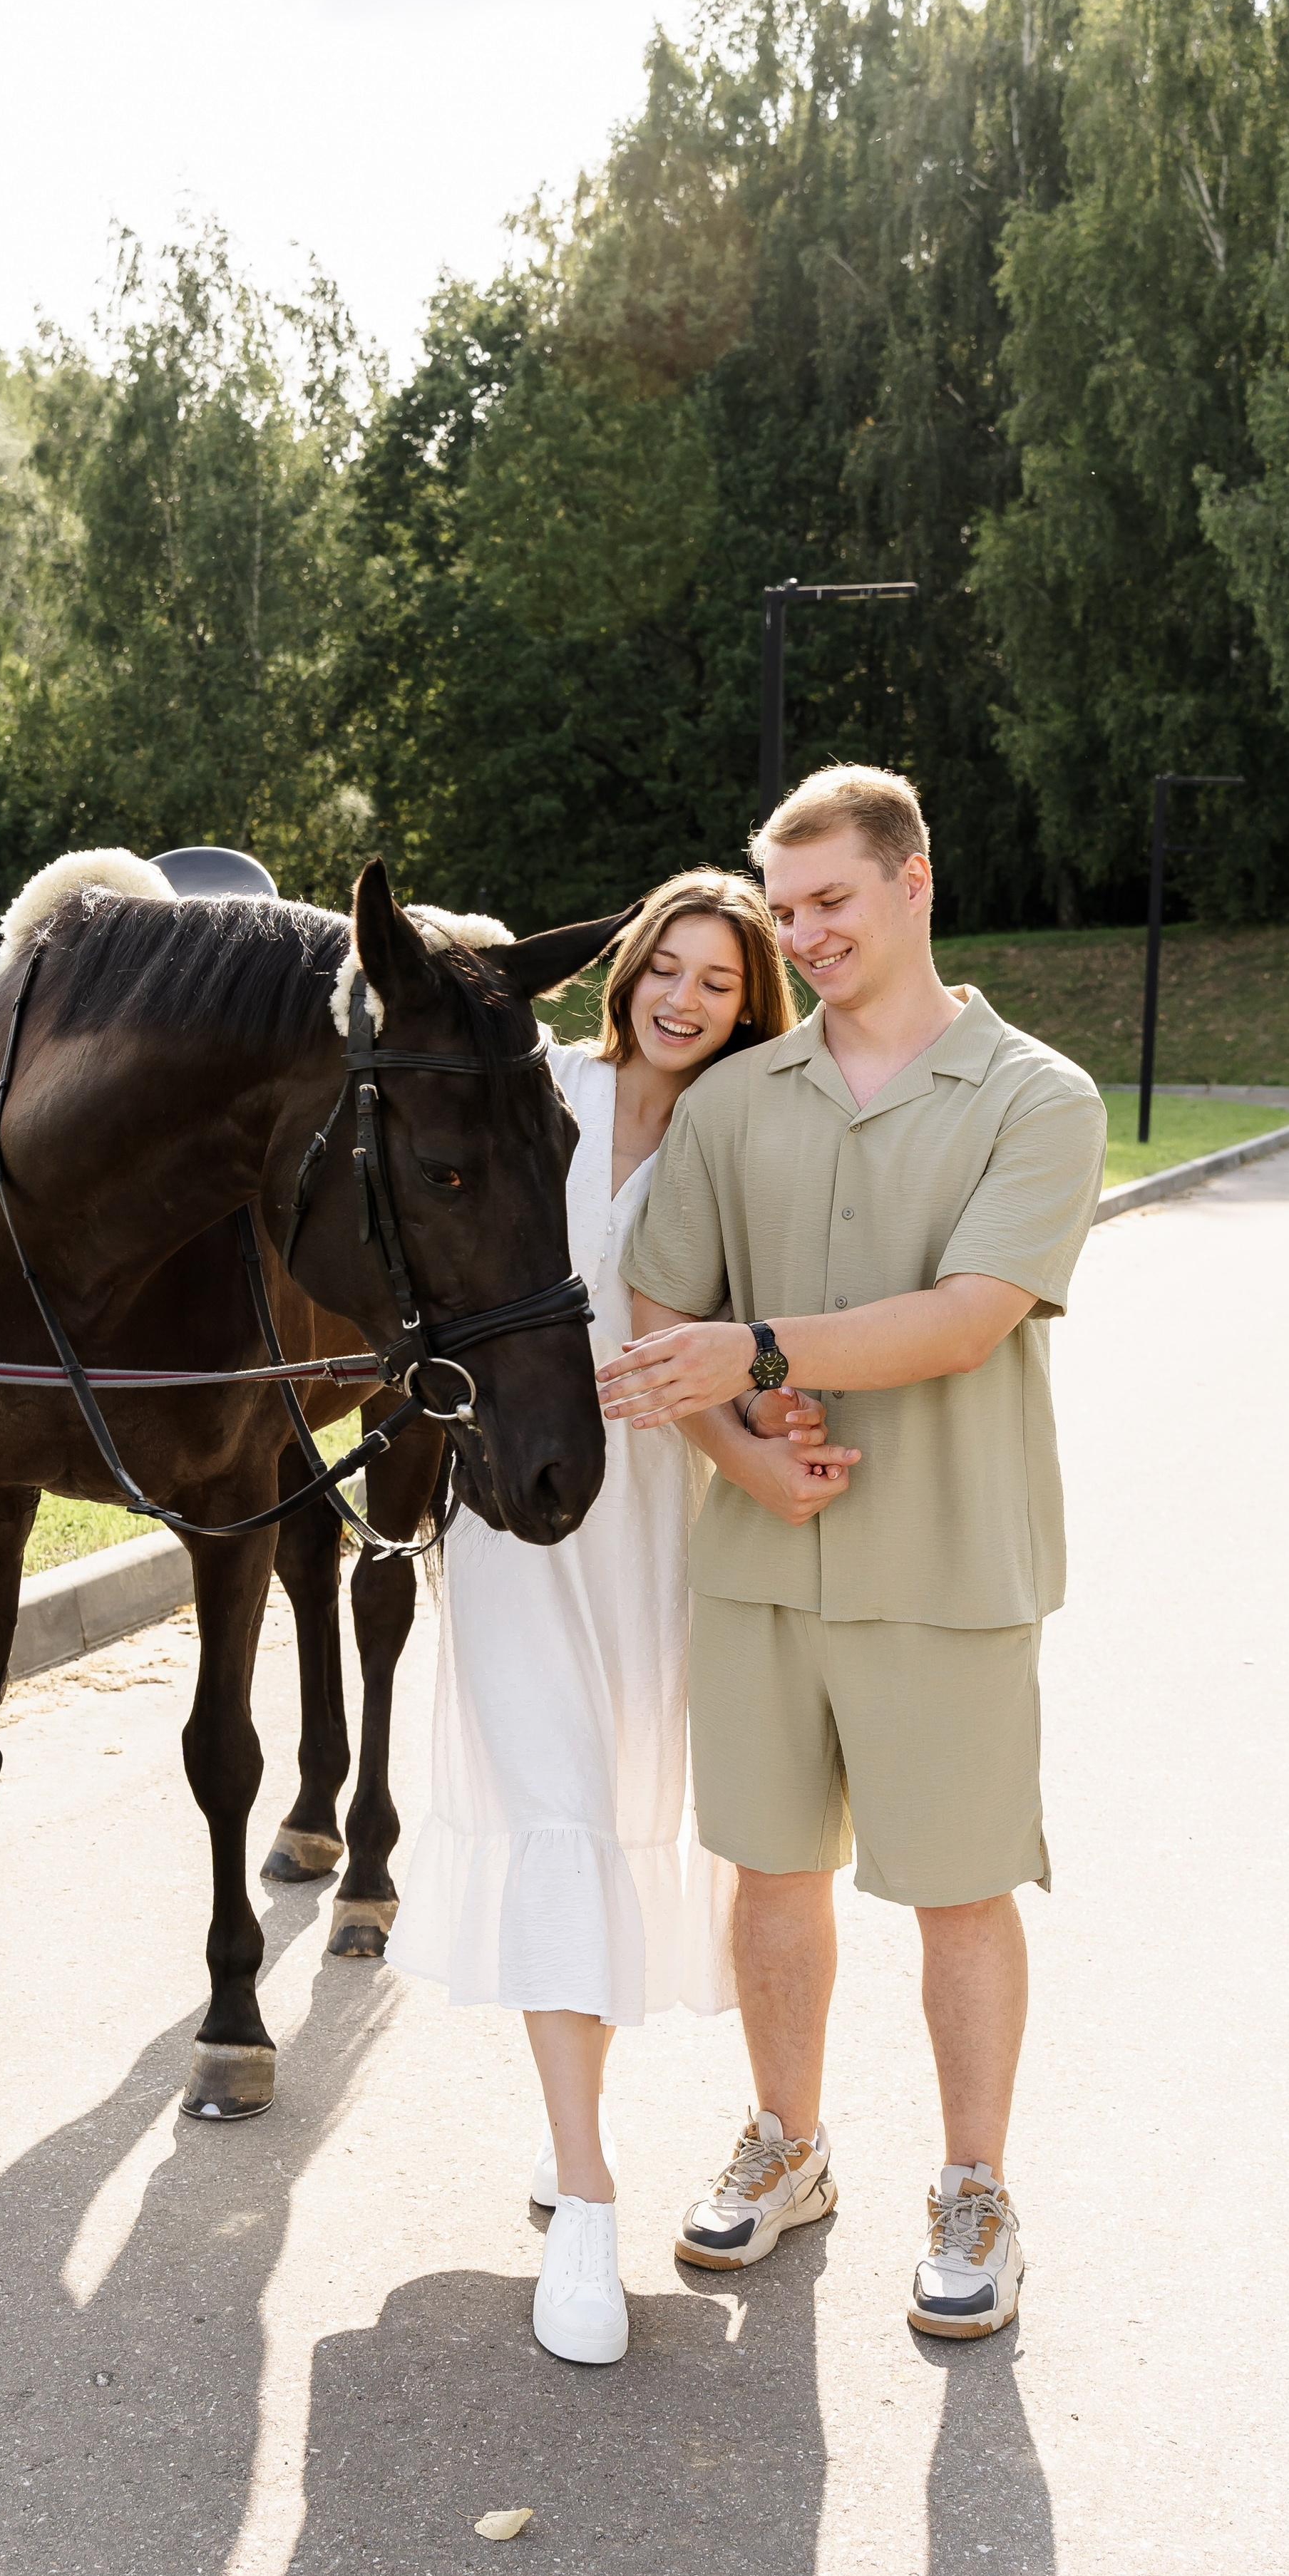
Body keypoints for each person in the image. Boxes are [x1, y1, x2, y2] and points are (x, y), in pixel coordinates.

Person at [602, 765, 1107, 2340]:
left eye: (830, 901)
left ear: (911, 885)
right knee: (769, 1873)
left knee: (957, 1892)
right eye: (786, 906)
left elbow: (966, 1318)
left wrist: (750, 1352)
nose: (803, 934)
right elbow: (657, 1312)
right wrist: (742, 1444)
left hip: (952, 1564)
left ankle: (973, 2190)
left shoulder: (1039, 1096)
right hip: (761, 1561)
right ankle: (788, 2146)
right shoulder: (736, 1100)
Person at [384, 870, 827, 2366]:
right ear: (626, 967)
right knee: (556, 1805)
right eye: (667, 965)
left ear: (745, 1006)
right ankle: (584, 2193)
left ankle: (563, 2117)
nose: (684, 997)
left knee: (613, 1814)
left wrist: (771, 1417)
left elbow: (746, 1340)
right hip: (516, 1509)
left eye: (719, 980)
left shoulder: (742, 1137)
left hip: (655, 1524)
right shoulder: (539, 1090)